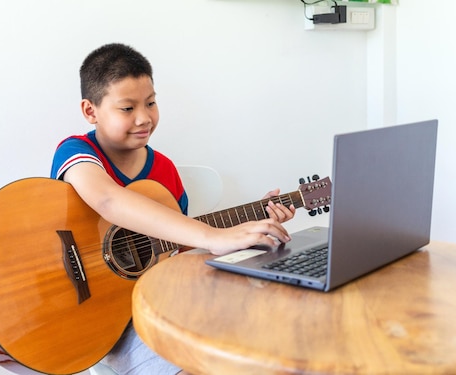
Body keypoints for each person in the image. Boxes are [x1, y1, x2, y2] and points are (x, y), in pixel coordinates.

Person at [50, 43, 296, 375]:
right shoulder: (76, 152)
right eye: (127, 108)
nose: (144, 117)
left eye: (151, 102)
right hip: (112, 319)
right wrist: (213, 236)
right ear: (90, 111)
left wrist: (250, 233)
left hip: (163, 302)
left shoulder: (164, 170)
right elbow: (107, 200)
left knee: (268, 336)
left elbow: (176, 251)